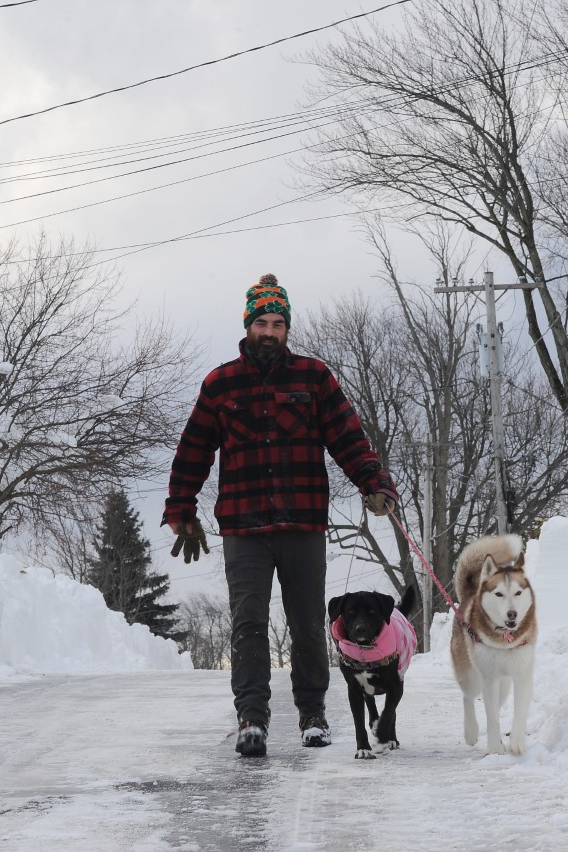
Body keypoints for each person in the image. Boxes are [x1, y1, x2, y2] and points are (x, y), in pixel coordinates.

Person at [163, 273, 399, 757]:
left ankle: (312, 713)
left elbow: (348, 437)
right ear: (247, 325)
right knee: (247, 622)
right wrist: (180, 507)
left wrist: (374, 483)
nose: (269, 332)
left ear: (287, 329)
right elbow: (192, 450)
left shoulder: (314, 378)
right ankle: (252, 716)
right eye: (261, 323)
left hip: (302, 522)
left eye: (278, 324)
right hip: (244, 526)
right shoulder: (220, 384)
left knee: (308, 621)